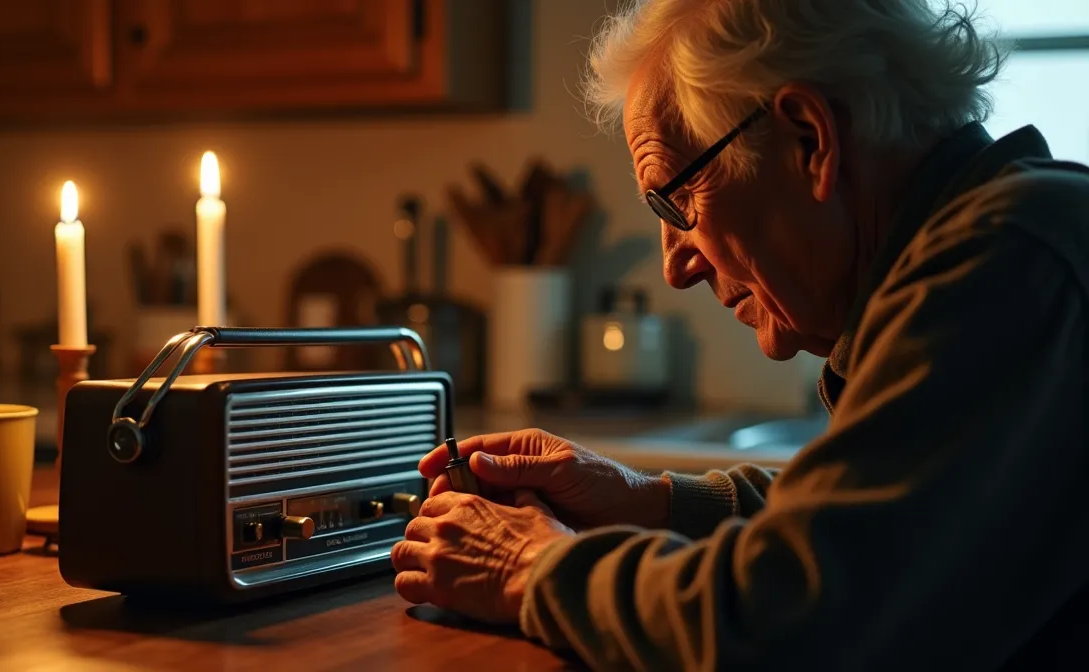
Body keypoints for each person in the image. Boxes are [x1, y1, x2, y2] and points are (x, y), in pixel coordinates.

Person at [390, 0, 1089, 669]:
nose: (675, 268)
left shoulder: (1011, 256)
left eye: (678, 201)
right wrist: (649, 500)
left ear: (810, 140)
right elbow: (875, 530)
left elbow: (790, 627)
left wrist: (527, 564)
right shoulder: (1008, 240)